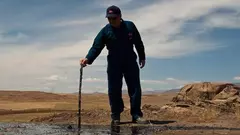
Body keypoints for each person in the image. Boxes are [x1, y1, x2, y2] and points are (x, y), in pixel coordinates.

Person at [80, 5, 148, 125]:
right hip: (114, 63)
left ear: (120, 16)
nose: (111, 21)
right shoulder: (105, 31)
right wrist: (88, 59)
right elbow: (96, 47)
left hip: (130, 61)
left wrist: (142, 56)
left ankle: (136, 114)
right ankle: (115, 115)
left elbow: (138, 42)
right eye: (109, 18)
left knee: (135, 88)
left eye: (114, 18)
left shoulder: (130, 26)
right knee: (114, 89)